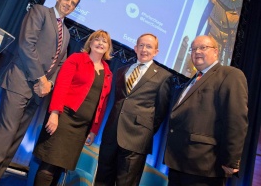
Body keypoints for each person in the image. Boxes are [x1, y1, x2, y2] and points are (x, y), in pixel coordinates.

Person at [0, 0, 81, 186]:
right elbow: (26, 44)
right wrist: (41, 79)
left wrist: (49, 83)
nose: (68, 4)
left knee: (14, 142)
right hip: (20, 82)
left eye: (73, 3)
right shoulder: (39, 11)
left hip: (38, 93)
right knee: (3, 139)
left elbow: (60, 64)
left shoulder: (66, 33)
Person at [32, 30, 113, 186]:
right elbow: (61, 86)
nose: (100, 43)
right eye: (97, 39)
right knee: (48, 165)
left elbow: (102, 105)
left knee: (59, 167)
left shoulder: (108, 73)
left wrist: (94, 129)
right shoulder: (76, 59)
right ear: (90, 42)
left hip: (81, 128)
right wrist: (54, 113)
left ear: (108, 48)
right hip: (64, 119)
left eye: (105, 41)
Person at [164, 35, 248, 186]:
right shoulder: (192, 80)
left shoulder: (230, 75)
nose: (197, 52)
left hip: (204, 165)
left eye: (203, 47)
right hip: (178, 163)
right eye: (194, 49)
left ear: (216, 52)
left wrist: (231, 160)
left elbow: (236, 120)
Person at [95, 33, 173, 186]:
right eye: (141, 45)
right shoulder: (122, 71)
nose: (144, 49)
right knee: (102, 180)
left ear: (156, 52)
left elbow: (160, 113)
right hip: (111, 135)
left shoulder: (164, 77)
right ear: (135, 48)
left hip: (136, 141)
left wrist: (143, 131)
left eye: (149, 46)